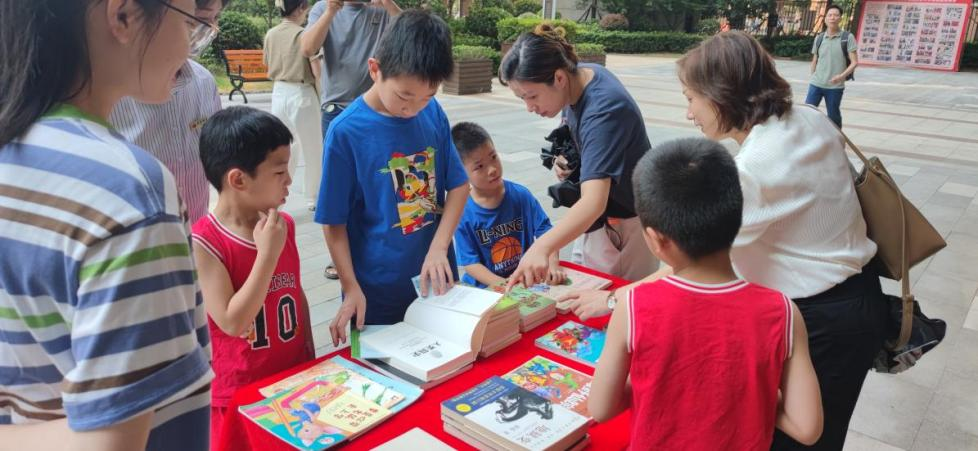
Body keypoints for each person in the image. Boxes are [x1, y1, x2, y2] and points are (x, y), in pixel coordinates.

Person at [0, 1, 213, 450]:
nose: (191, 45)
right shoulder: (129, 194)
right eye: (188, 22)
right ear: (124, 16)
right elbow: (108, 443)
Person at [676, 31, 884, 451]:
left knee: (792, 438)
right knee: (823, 434)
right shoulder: (810, 117)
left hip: (821, 320)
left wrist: (617, 301)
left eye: (691, 98)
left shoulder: (756, 166)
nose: (689, 113)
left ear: (721, 95)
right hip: (859, 301)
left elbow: (695, 260)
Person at [588, 137, 823, 450]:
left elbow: (601, 407)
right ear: (737, 218)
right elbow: (807, 428)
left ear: (655, 239)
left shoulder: (632, 306)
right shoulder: (782, 311)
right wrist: (750, 390)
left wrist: (657, 383)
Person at [315, 10, 469, 346]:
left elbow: (459, 186)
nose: (413, 109)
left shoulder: (432, 112)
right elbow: (333, 222)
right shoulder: (346, 132)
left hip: (435, 279)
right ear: (375, 69)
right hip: (376, 291)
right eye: (404, 96)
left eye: (427, 96)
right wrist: (350, 287)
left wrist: (439, 247)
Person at [499, 25, 658, 289]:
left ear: (559, 78)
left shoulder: (604, 109)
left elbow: (594, 202)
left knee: (613, 301)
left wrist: (542, 247)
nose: (529, 107)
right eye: (522, 98)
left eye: (532, 96)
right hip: (601, 221)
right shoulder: (581, 77)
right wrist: (569, 158)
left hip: (624, 224)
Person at [192, 106, 314, 443]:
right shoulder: (205, 242)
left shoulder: (281, 224)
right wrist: (267, 254)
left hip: (291, 380)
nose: (290, 181)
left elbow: (295, 291)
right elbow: (232, 322)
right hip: (240, 394)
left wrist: (309, 352)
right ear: (238, 180)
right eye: (280, 172)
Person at [302, 0, 402, 279]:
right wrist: (331, 11)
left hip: (377, 109)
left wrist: (389, 4)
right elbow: (307, 48)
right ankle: (340, 256)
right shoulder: (323, 8)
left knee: (380, 180)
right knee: (340, 187)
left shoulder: (381, 8)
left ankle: (378, 246)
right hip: (336, 111)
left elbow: (408, 31)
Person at [110, 0, 228, 224]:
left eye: (215, 20)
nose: (209, 32)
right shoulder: (111, 93)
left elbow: (217, 152)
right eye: (197, 21)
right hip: (142, 231)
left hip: (194, 225)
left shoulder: (203, 82)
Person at [451, 122, 564, 288]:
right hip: (487, 289)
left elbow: (546, 233)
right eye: (479, 166)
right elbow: (471, 263)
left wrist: (553, 264)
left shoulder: (520, 196)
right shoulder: (462, 211)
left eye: (493, 157)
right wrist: (503, 285)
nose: (492, 169)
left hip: (525, 281)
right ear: (461, 173)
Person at [265, 0, 323, 211]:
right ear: (300, 8)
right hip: (302, 93)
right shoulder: (304, 34)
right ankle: (313, 198)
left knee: (282, 149)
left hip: (279, 92)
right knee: (313, 149)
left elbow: (267, 63)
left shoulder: (271, 34)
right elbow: (317, 71)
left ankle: (276, 197)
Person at [805, 5, 858, 128]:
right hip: (816, 84)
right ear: (825, 18)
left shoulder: (847, 38)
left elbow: (854, 62)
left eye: (836, 15)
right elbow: (815, 60)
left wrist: (841, 77)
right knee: (807, 113)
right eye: (830, 15)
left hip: (835, 86)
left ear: (840, 18)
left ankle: (837, 136)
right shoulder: (819, 38)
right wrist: (813, 76)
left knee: (833, 116)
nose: (832, 18)